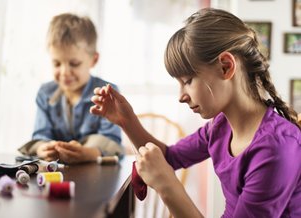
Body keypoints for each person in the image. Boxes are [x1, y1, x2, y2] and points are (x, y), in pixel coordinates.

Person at [90, 8, 301, 218]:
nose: (181, 96)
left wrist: (168, 186)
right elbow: (170, 158)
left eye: (188, 81)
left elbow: (165, 169)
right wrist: (127, 121)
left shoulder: (277, 148)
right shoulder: (220, 126)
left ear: (226, 67)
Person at [18, 13, 123, 164]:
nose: (64, 72)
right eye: (56, 64)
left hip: (95, 174)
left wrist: (89, 153)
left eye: (74, 63)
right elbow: (40, 135)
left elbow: (111, 140)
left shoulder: (107, 93)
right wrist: (44, 148)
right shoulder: (45, 93)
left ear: (94, 60)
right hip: (56, 172)